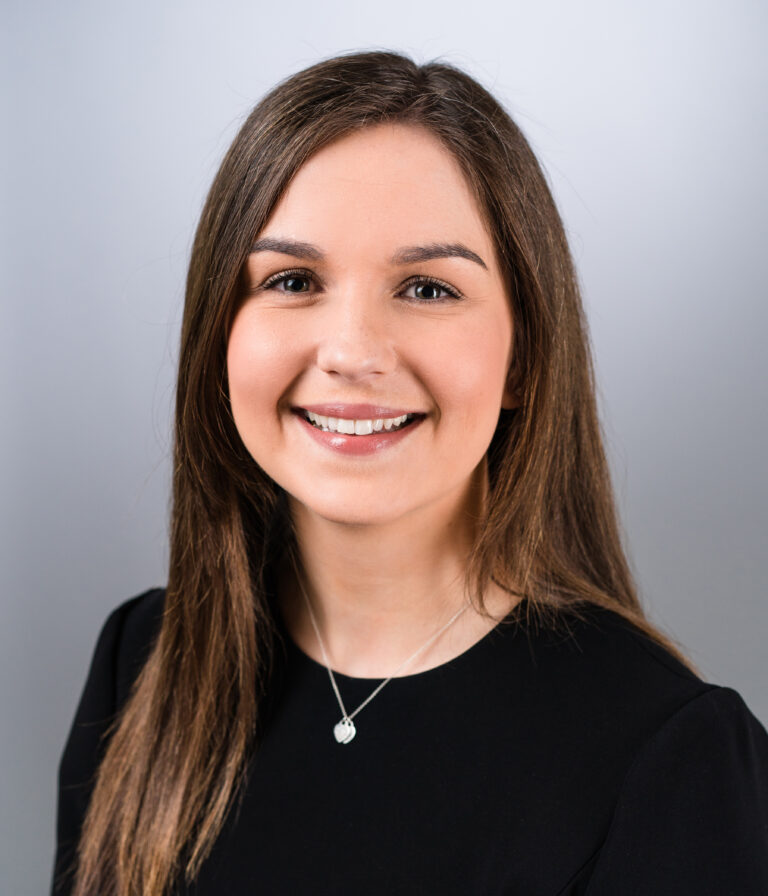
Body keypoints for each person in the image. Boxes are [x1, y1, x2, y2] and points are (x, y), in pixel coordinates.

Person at [51, 50, 768, 896]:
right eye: (293, 280)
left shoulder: (675, 756)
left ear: (525, 360)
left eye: (427, 289)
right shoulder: (140, 663)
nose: (353, 353)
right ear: (219, 336)